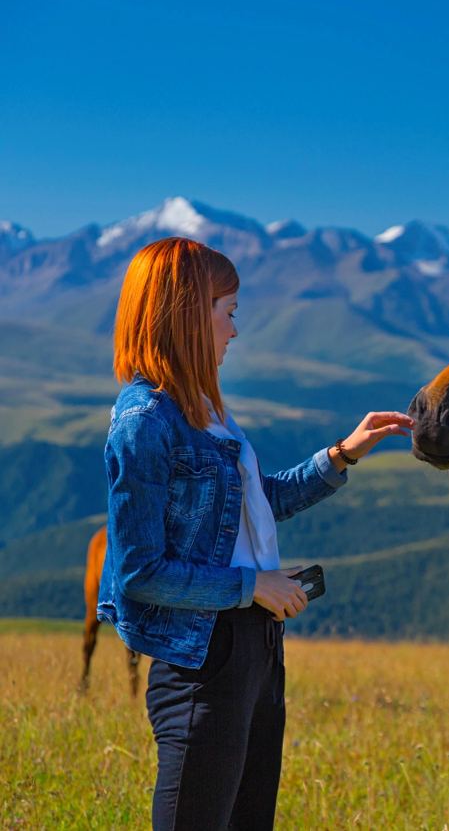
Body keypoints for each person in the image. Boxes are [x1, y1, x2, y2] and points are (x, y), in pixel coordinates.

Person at [98, 236, 413, 830]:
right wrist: (252, 586)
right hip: (204, 660)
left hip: (256, 650)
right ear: (189, 312)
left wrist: (344, 453)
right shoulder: (145, 424)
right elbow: (140, 573)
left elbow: (251, 505)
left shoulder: (206, 410)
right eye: (228, 311)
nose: (234, 332)